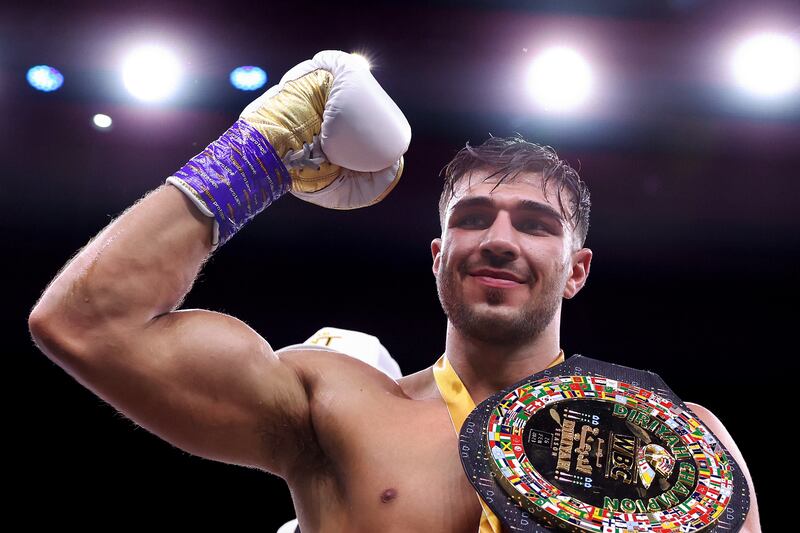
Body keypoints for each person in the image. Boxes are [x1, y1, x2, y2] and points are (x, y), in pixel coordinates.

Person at [28, 51, 760, 532]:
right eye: (475, 219)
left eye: (535, 224)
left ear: (577, 268)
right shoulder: (337, 407)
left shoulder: (677, 444)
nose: (500, 239)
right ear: (440, 256)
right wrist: (262, 152)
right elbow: (89, 324)